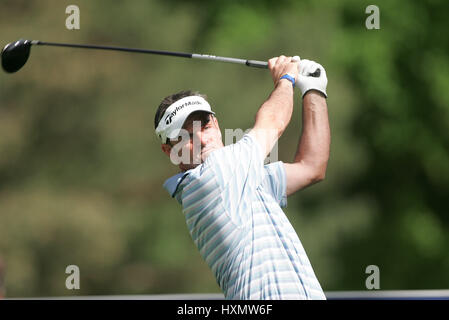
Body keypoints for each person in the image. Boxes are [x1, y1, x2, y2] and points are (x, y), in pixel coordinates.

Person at [154, 55, 330, 299]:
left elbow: (311, 167)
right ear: (169, 150)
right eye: (185, 137)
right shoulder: (209, 180)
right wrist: (286, 78)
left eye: (204, 125)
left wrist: (314, 89)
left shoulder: (240, 180)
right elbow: (272, 123)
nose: (202, 139)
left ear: (215, 123)